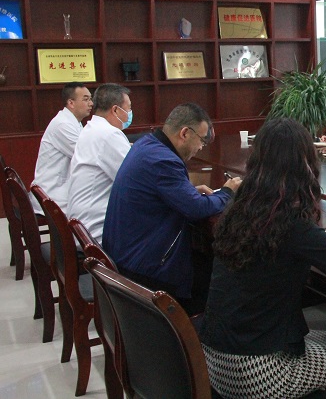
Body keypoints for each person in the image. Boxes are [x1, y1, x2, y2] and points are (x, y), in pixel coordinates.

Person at [201, 118, 326, 399]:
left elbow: (276, 245)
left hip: (213, 360)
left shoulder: (237, 208)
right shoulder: (292, 223)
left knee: (325, 341)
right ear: (304, 164)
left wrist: (319, 241)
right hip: (258, 370)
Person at [103, 103, 242, 314]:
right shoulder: (164, 161)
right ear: (185, 133)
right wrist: (226, 192)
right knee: (224, 277)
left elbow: (158, 193)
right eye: (202, 140)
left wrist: (187, 192)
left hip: (126, 256)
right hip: (144, 269)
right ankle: (204, 331)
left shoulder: (146, 145)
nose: (201, 148)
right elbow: (196, 209)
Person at [66, 84, 133, 244]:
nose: (130, 113)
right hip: (94, 233)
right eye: (129, 108)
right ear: (115, 110)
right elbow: (136, 181)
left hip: (82, 225)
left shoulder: (93, 128)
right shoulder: (109, 134)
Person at [29, 82, 93, 213]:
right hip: (52, 195)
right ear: (71, 103)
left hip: (60, 189)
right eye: (86, 99)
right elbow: (86, 156)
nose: (91, 103)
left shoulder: (73, 122)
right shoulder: (63, 125)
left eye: (90, 99)